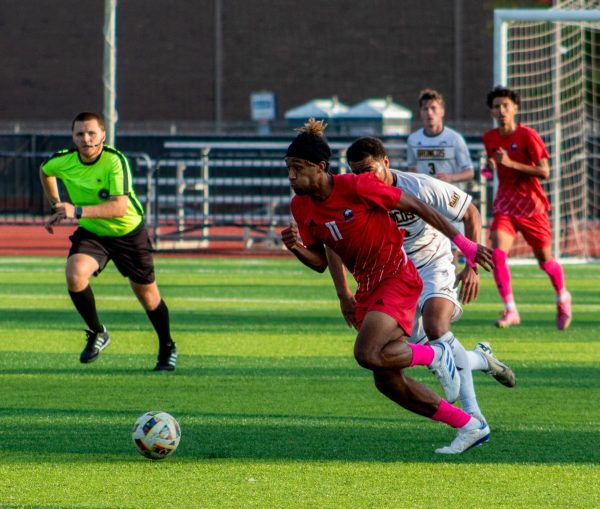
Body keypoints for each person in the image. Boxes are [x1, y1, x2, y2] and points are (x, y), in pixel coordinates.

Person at [282, 118, 494, 454]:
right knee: (387, 380)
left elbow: (417, 206)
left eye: (297, 168)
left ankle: (437, 354)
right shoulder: (301, 205)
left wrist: (465, 245)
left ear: (319, 167)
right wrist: (297, 248)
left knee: (366, 353)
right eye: (288, 168)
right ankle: (469, 425)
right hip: (368, 287)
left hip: (396, 277)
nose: (291, 176)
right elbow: (322, 260)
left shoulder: (357, 186)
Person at [326, 137, 516, 452]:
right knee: (401, 356)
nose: (365, 179)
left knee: (436, 327)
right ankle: (481, 359)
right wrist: (344, 293)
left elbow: (470, 212)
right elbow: (332, 238)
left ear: (386, 163)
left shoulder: (420, 187)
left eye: (370, 170)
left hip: (433, 266)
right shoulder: (355, 196)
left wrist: (471, 266)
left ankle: (473, 419)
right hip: (393, 279)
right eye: (357, 173)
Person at [40, 112, 177, 371]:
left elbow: (119, 207)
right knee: (75, 274)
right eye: (80, 133)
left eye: (92, 133)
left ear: (103, 134)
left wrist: (76, 210)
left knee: (148, 296)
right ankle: (97, 332)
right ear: (73, 137)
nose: (86, 139)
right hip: (93, 232)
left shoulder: (115, 161)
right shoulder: (63, 160)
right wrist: (56, 206)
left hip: (128, 233)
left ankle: (167, 345)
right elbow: (45, 171)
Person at [483, 86, 572, 330]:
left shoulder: (528, 135)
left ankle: (563, 296)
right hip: (505, 204)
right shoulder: (489, 138)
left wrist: (511, 163)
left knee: (545, 261)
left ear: (515, 109)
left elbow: (544, 171)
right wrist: (490, 166)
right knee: (498, 254)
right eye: (496, 107)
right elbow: (494, 161)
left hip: (532, 207)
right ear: (491, 111)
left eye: (505, 106)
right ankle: (510, 309)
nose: (501, 110)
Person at [406, 89, 474, 186]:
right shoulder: (413, 139)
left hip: (451, 196)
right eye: (425, 109)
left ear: (442, 111)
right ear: (421, 112)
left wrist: (450, 178)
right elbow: (412, 170)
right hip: (426, 196)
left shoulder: (455, 139)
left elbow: (469, 172)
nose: (429, 113)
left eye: (433, 108)